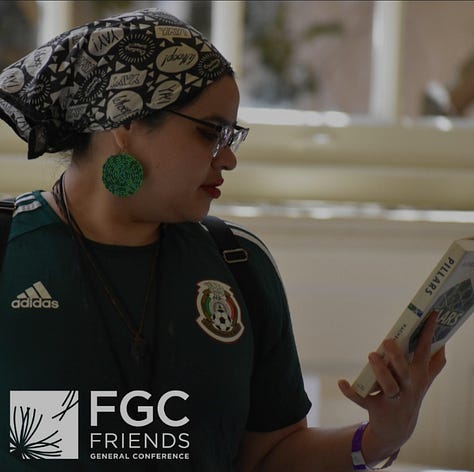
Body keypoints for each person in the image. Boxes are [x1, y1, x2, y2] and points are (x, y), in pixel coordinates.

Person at [0, 7, 446, 472]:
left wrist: (377, 439)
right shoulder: (11, 249)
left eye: (232, 136)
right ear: (126, 123)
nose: (229, 158)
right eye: (210, 133)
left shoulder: (238, 264)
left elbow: (270, 456)